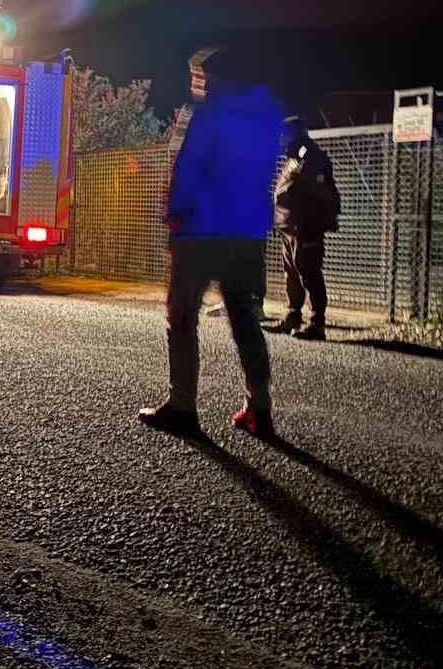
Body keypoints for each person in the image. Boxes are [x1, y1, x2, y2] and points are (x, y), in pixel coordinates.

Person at [139, 50, 283, 440]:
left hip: (200, 229)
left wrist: (175, 213)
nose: (195, 83)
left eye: (199, 76)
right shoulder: (268, 116)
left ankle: (182, 405)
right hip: (247, 231)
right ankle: (260, 407)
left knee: (182, 315)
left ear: (216, 77)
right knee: (244, 319)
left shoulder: (209, 113)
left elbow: (190, 166)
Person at [267, 117, 340, 342]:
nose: (280, 138)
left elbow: (314, 190)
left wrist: (311, 219)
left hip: (306, 226)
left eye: (284, 133)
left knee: (309, 271)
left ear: (294, 133)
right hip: (291, 227)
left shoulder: (310, 155)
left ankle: (317, 323)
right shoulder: (294, 156)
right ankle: (293, 316)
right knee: (292, 272)